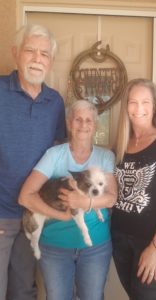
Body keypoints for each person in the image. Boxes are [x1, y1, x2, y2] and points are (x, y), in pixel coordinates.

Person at [18, 100, 118, 300]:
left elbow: (111, 199)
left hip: (95, 248)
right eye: (78, 119)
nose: (83, 125)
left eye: (88, 120)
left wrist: (83, 203)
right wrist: (61, 216)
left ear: (95, 125)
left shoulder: (105, 156)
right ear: (69, 122)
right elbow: (25, 196)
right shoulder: (54, 155)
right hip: (55, 247)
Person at [0, 24, 66, 300]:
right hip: (1, 214)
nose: (37, 59)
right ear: (16, 54)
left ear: (50, 61)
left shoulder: (55, 102)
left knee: (23, 290)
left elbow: (59, 154)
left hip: (34, 214)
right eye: (30, 51)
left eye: (44, 54)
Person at [111, 78, 156, 300]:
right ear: (126, 107)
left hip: (152, 240)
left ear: (154, 106)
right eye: (133, 102)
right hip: (119, 238)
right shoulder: (120, 145)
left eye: (145, 102)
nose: (139, 108)